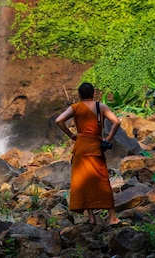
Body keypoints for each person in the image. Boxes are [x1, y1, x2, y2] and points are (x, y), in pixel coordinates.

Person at [55, 81, 121, 225]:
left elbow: (59, 120)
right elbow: (116, 122)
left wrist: (71, 135)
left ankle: (91, 217)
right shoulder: (101, 107)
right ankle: (112, 217)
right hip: (95, 147)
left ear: (79, 95)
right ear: (94, 94)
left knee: (83, 181)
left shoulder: (75, 108)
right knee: (103, 181)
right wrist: (108, 138)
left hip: (80, 147)